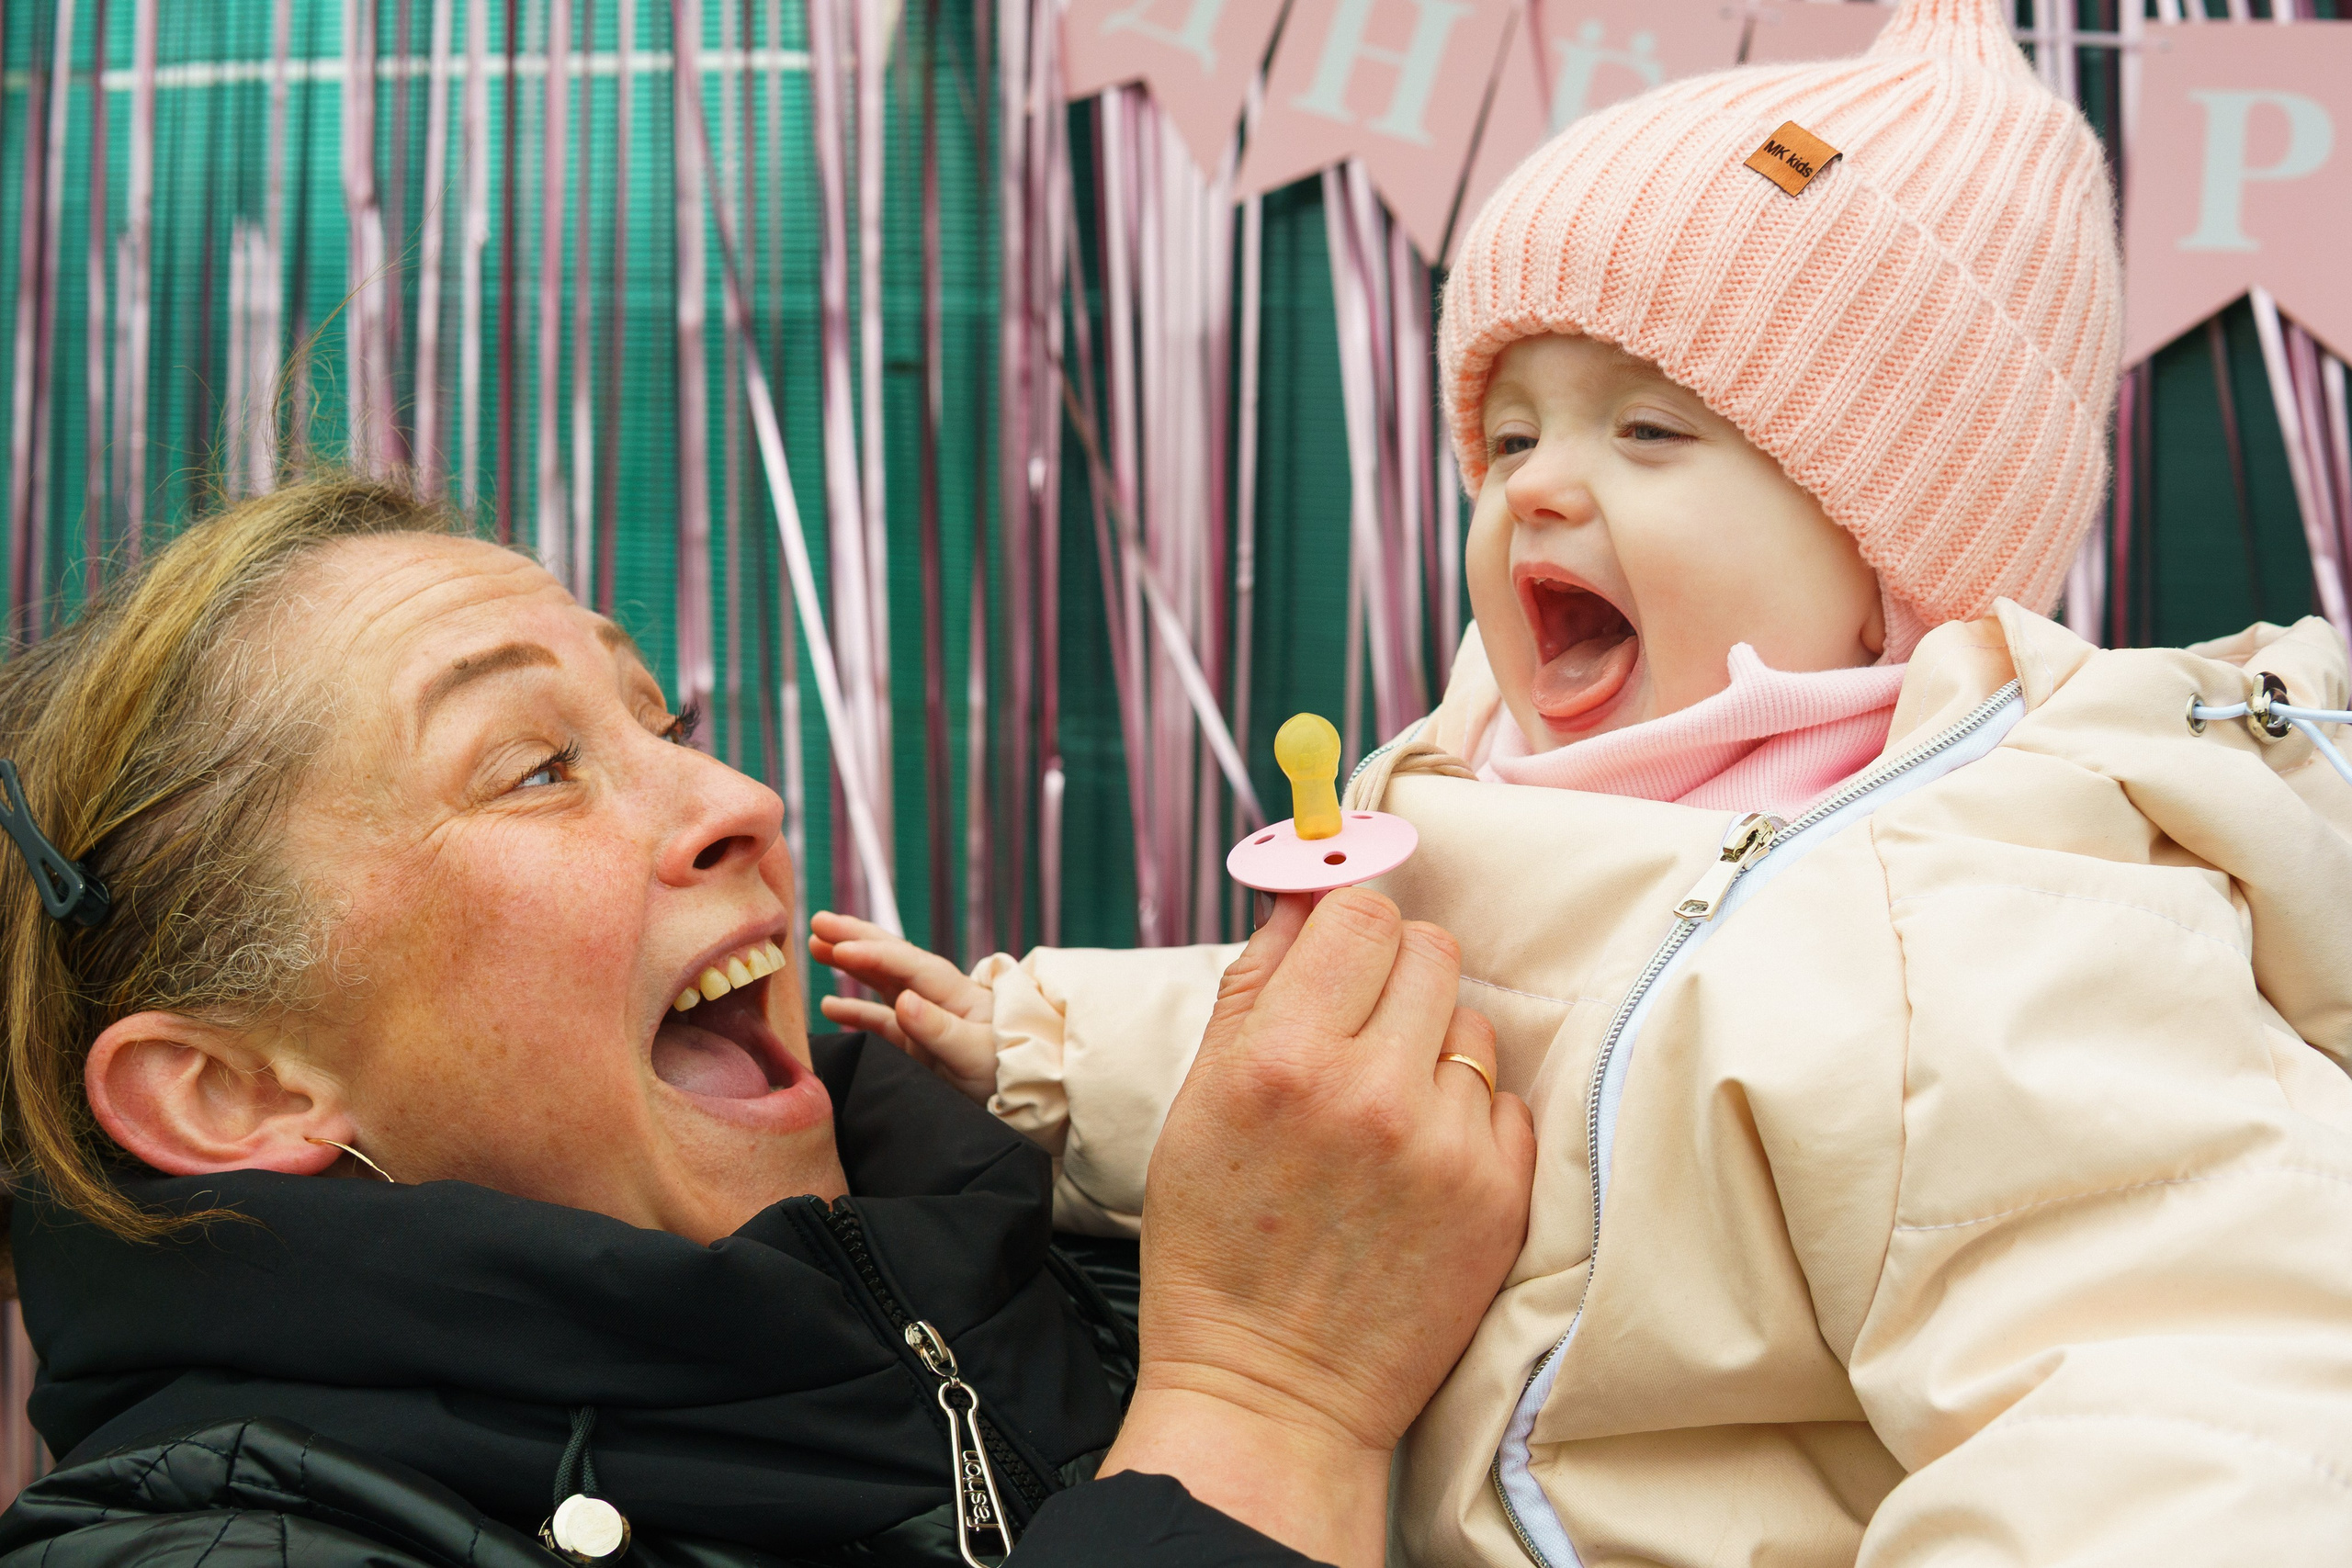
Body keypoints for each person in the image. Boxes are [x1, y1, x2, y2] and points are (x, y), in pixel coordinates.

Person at [818, 0, 2352, 1560]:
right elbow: (1377, 1041)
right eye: (1509, 431)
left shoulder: (1987, 904)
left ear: (1895, 551)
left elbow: (2167, 1404)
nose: (1539, 484)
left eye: (1647, 429)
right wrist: (1046, 1045)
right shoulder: (1490, 777)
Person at [0, 476, 1534, 1568]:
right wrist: (1267, 1408)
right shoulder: (201, 1545)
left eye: (667, 723)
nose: (741, 802)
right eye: (533, 768)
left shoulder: (1089, 1262)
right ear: (228, 1091)